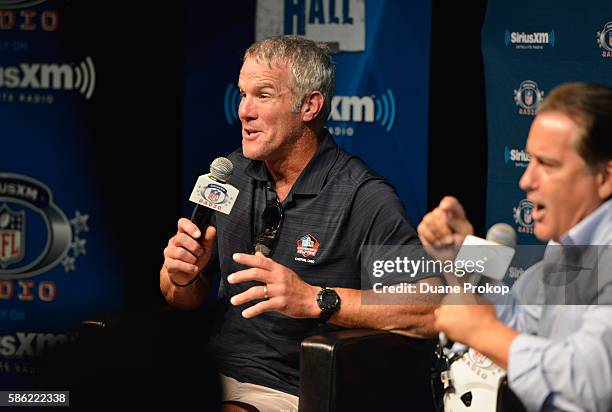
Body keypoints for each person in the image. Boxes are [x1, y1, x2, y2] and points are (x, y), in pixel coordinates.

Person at [160, 35, 441, 412]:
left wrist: (315, 299)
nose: (244, 110)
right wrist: (181, 277)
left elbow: (432, 308)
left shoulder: (364, 197)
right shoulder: (229, 175)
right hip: (209, 374)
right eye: (242, 94)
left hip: (290, 390)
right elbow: (183, 297)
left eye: (263, 95)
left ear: (309, 105)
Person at [418, 82, 612, 411]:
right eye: (530, 161)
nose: (525, 180)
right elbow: (519, 325)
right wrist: (465, 252)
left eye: (547, 165)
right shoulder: (568, 248)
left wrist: (481, 331)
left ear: (605, 178)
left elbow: (591, 384)